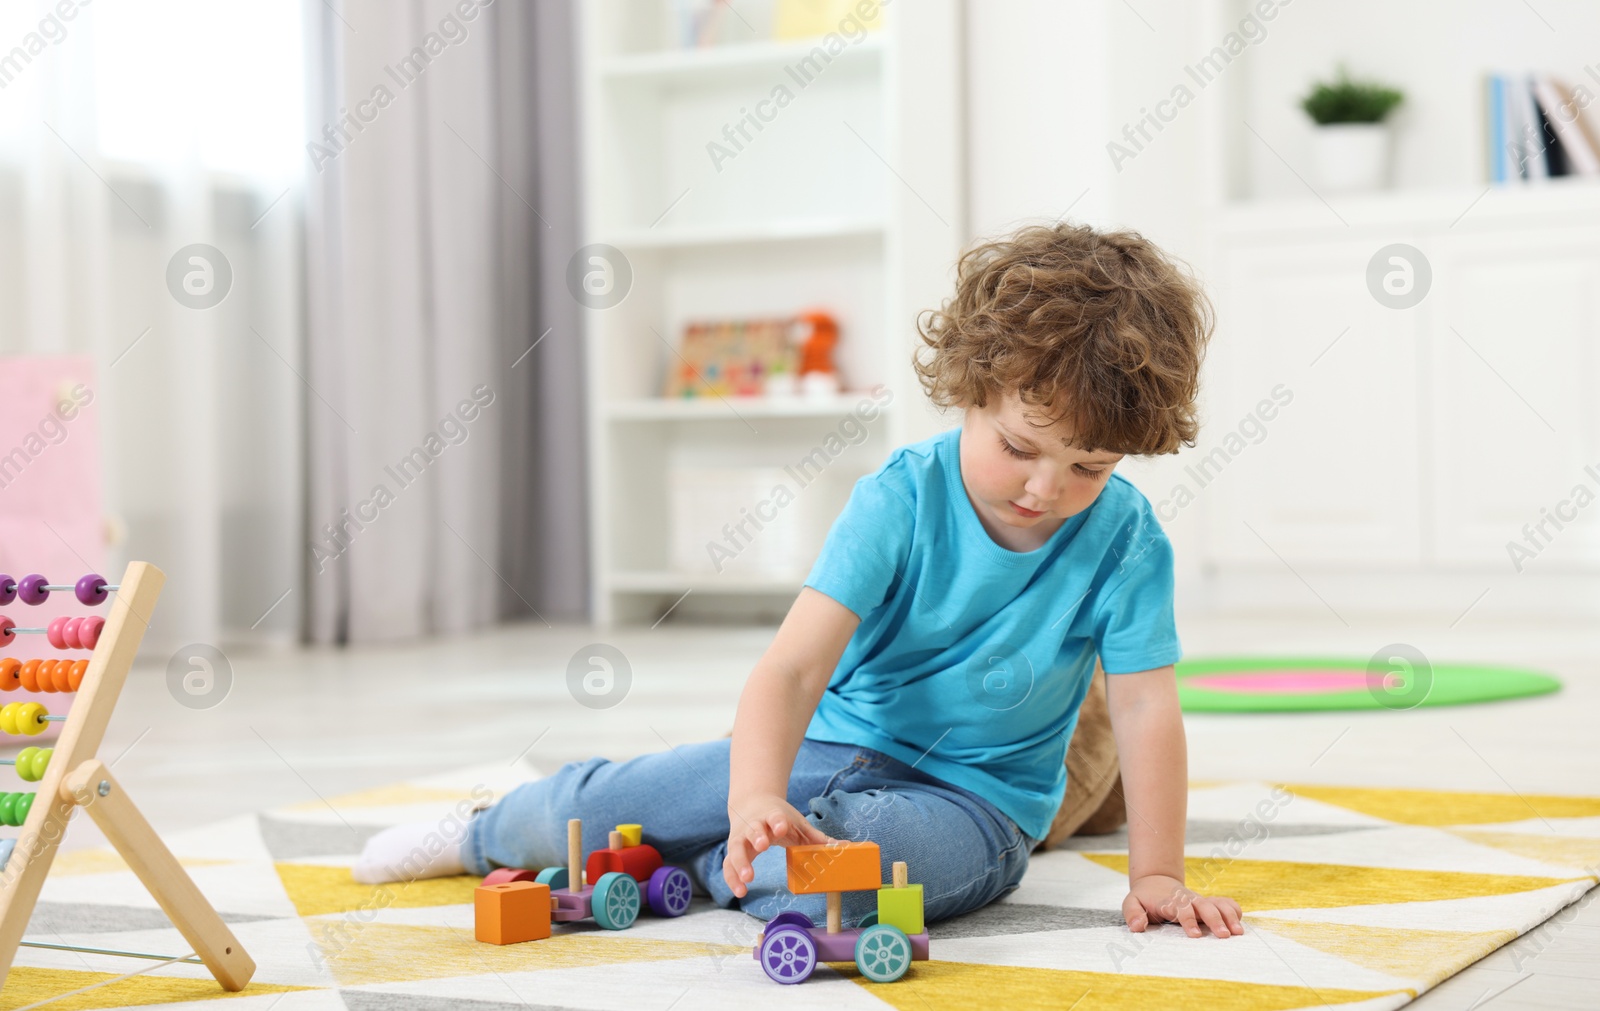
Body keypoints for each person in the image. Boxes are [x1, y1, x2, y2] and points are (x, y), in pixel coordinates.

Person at [355, 221, 1244, 939]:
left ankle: (716, 862)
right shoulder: (899, 499)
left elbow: (1143, 709)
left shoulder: (1128, 542)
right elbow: (788, 670)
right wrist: (753, 796)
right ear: (970, 391)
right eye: (1018, 447)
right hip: (825, 750)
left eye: (1088, 466)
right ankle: (482, 831)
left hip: (977, 809)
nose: (1046, 488)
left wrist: (1158, 875)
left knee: (848, 874)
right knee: (629, 795)